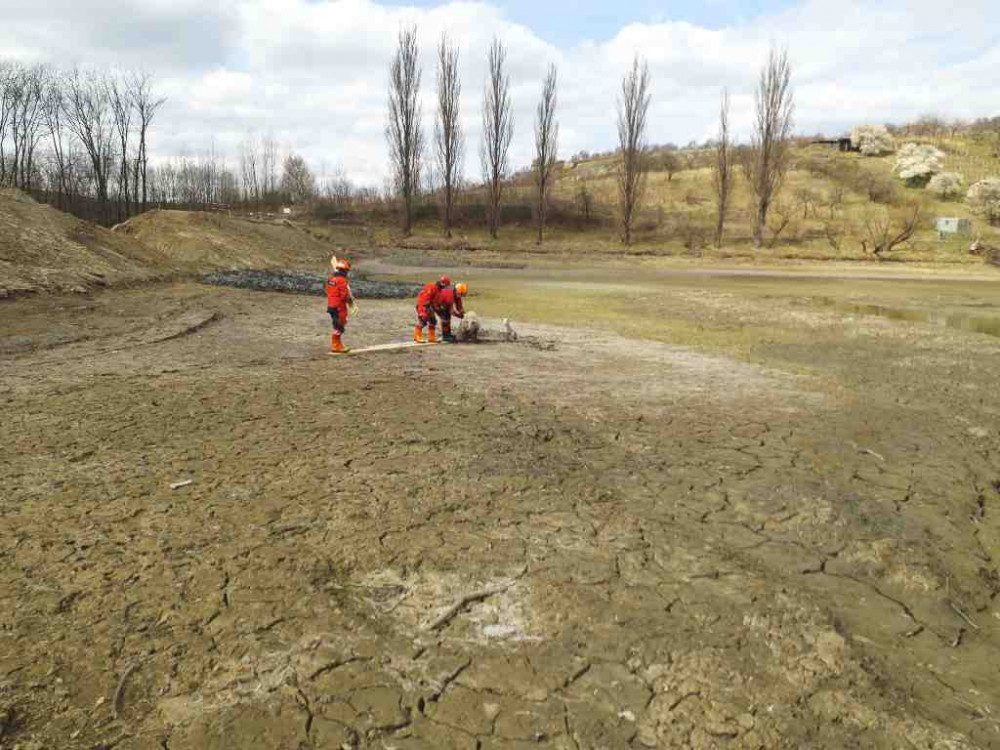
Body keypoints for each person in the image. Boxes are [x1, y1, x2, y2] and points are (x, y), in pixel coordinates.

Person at [325, 257, 355, 354]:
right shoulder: (342, 280)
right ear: (345, 270)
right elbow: (344, 295)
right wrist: (350, 300)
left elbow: (327, 290)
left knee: (336, 325)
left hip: (331, 305)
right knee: (339, 325)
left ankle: (337, 345)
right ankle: (336, 346)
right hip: (339, 306)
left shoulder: (331, 279)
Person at [414, 274, 451, 343]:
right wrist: (424, 309)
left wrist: (440, 311)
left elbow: (435, 303)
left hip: (429, 306)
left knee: (433, 321)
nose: (446, 287)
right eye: (446, 285)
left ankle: (432, 338)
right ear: (443, 283)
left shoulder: (439, 291)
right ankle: (417, 336)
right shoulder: (431, 287)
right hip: (423, 305)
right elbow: (425, 298)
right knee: (423, 320)